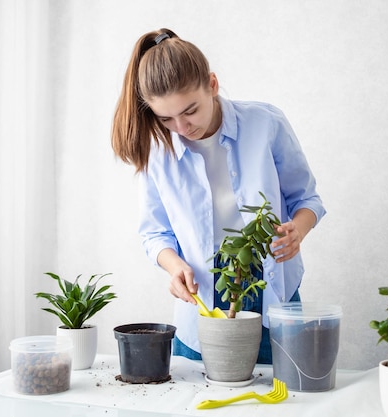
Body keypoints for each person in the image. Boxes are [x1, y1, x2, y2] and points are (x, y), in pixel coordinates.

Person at [111, 28, 325, 364]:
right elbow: (154, 234)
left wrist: (298, 230)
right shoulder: (156, 151)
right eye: (166, 118)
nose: (182, 127)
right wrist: (175, 266)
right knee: (196, 400)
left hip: (271, 287)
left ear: (212, 84)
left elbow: (307, 200)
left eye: (191, 110)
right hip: (204, 299)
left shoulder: (265, 123)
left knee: (280, 400)